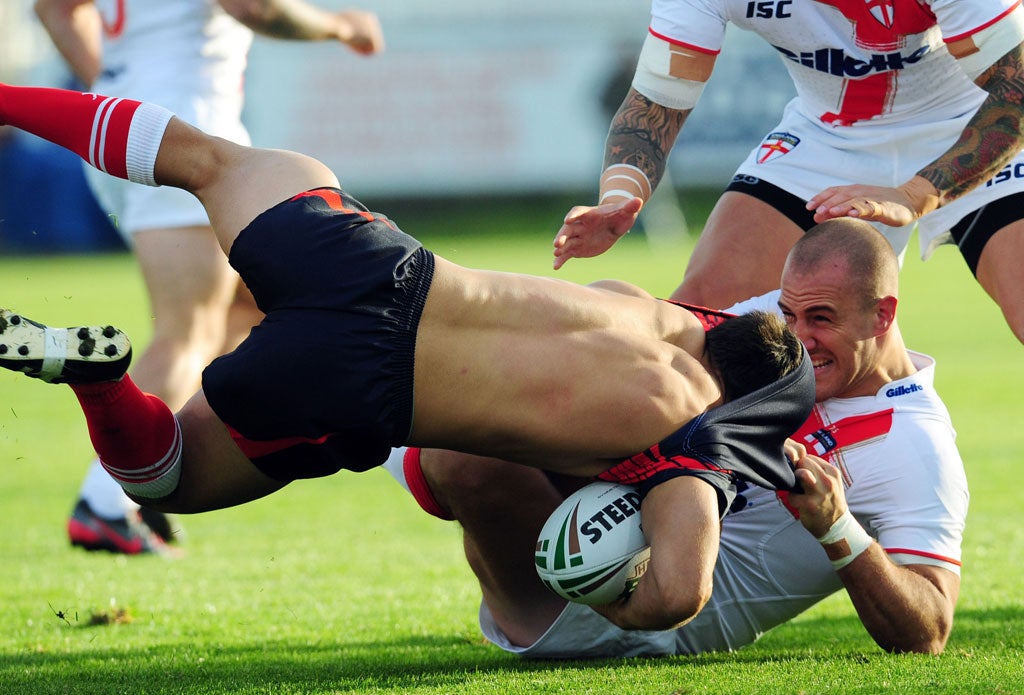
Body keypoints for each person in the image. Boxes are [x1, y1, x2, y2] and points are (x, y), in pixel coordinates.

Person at [0, 81, 815, 631]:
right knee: (166, 477)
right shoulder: (696, 437)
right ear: (746, 406)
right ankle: (102, 381)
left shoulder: (640, 308)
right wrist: (604, 589)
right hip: (358, 384)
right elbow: (680, 592)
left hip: (378, 260)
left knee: (204, 158)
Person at [386, 218, 968, 656]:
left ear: (883, 315)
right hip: (619, 494)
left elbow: (929, 630)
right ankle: (394, 319)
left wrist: (837, 528)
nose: (799, 338)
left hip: (627, 613)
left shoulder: (917, 446)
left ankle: (375, 389)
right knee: (620, 297)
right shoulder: (778, 323)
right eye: (789, 314)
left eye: (822, 319)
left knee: (460, 458)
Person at [33, 0, 385, 555]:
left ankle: (160, 470)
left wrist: (112, 83)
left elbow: (54, 9)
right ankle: (105, 503)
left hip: (129, 123)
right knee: (189, 329)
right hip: (181, 134)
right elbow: (254, 7)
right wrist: (342, 25)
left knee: (250, 311)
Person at [551, 0, 1024, 347]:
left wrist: (915, 193)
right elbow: (656, 101)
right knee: (697, 332)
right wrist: (619, 194)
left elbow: (1016, 92)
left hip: (979, 119)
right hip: (831, 134)